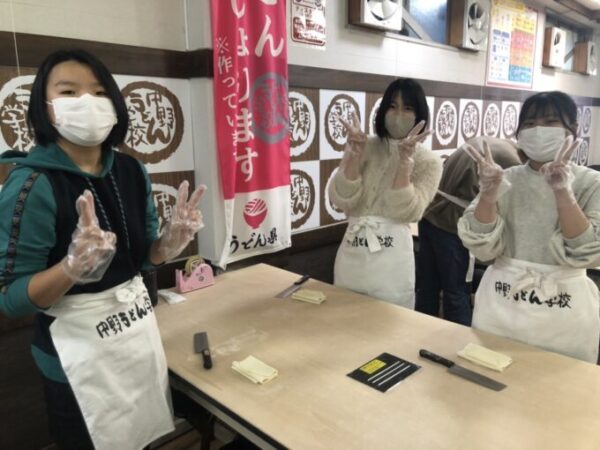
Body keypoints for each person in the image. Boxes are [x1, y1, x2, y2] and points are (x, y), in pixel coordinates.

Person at [0, 49, 206, 449]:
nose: (87, 102)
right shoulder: (31, 184)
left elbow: (142, 257)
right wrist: (71, 268)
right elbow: (10, 298)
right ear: (45, 107)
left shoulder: (131, 170)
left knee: (142, 437)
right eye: (68, 92)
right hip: (74, 360)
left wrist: (168, 244)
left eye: (98, 92)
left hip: (133, 336)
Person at [458, 91, 600, 363]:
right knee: (490, 370)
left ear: (572, 128)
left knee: (558, 382)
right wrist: (488, 195)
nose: (539, 130)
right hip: (503, 299)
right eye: (530, 123)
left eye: (550, 121)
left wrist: (563, 192)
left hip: (564, 304)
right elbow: (481, 246)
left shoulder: (591, 182)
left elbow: (590, 252)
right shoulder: (503, 178)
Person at [328, 78, 442, 308]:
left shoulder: (429, 161)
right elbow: (341, 199)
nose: (398, 114)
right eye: (392, 106)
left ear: (419, 115)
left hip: (392, 261)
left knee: (390, 321)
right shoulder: (365, 145)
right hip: (352, 251)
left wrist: (404, 163)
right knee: (344, 317)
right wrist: (353, 155)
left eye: (407, 108)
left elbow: (407, 212)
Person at [415, 137, 521, 325]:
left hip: (431, 215)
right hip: (453, 225)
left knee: (427, 287)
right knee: (456, 292)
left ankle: (420, 331)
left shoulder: (489, 144)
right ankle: (458, 337)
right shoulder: (514, 161)